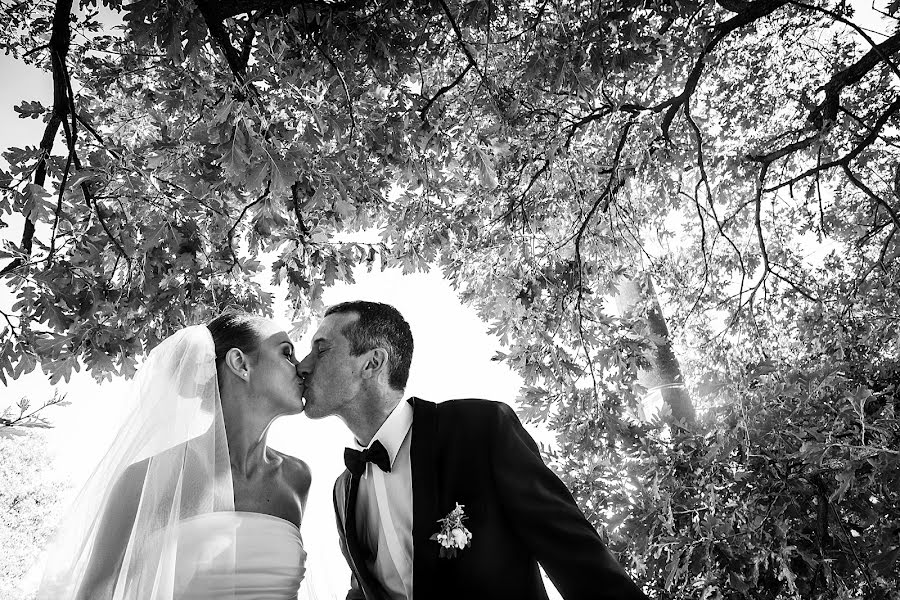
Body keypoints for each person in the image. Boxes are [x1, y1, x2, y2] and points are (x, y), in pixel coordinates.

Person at [297, 301, 647, 600]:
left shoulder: (480, 429)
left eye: (321, 349)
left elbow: (575, 555)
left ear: (372, 362)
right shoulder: (344, 490)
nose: (303, 365)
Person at [36, 313, 311, 600]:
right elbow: (95, 594)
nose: (302, 368)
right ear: (241, 364)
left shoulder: (297, 479)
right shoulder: (145, 478)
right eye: (287, 353)